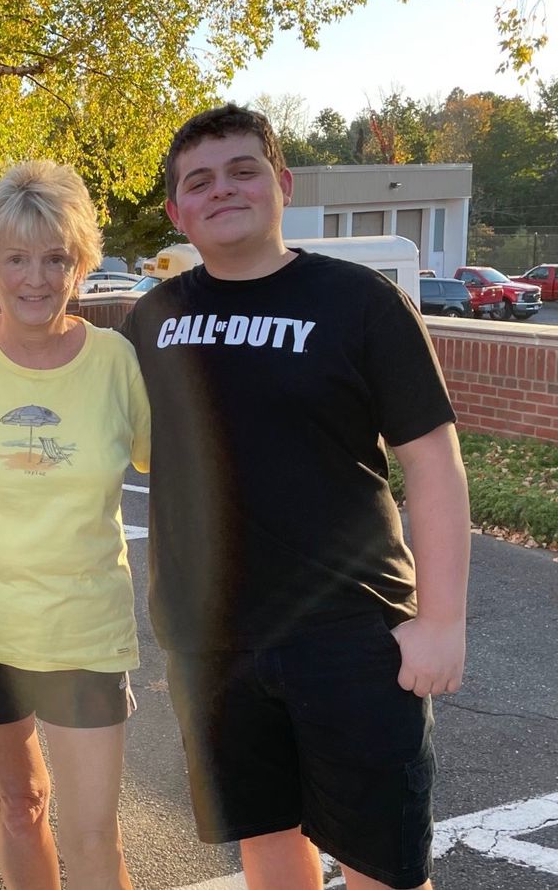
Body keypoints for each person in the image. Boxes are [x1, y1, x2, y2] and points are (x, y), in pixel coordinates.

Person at [120, 104, 470, 890]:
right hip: (209, 639)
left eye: (242, 170)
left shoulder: (359, 301)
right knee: (266, 843)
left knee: (384, 866)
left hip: (350, 633)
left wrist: (442, 621)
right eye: (199, 181)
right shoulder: (153, 318)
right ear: (177, 212)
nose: (222, 189)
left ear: (282, 184)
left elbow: (434, 462)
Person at [0, 160, 150, 890]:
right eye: (16, 258)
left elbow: (178, 470)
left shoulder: (115, 362)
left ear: (81, 264)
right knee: (18, 805)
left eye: (56, 258)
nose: (36, 278)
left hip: (84, 629)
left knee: (93, 834)